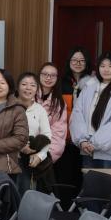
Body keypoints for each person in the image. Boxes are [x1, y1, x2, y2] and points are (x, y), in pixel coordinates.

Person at [16, 72, 53, 194]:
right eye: (24, 84)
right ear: (18, 87)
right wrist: (20, 147)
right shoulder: (10, 106)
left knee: (28, 193)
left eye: (32, 85)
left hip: (31, 161)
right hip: (11, 159)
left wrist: (40, 156)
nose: (28, 88)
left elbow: (47, 136)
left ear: (37, 89)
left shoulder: (40, 110)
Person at [39, 61, 73, 193]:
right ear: (39, 76)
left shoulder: (59, 102)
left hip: (45, 158)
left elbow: (58, 134)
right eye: (45, 74)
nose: (48, 78)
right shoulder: (28, 96)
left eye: (52, 75)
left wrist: (45, 157)